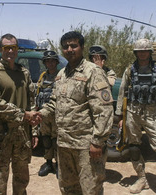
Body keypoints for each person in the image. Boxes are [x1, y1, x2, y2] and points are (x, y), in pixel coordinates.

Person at [39, 31, 114, 194]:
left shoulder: (93, 72)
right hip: (64, 145)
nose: (69, 49)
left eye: (74, 45)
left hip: (86, 147)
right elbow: (54, 103)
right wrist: (40, 114)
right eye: (65, 47)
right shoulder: (61, 74)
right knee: (68, 188)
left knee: (90, 188)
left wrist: (97, 141)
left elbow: (104, 110)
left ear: (82, 47)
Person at [115, 38, 156, 195]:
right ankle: (142, 179)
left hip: (152, 114)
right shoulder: (129, 70)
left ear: (150, 52)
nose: (142, 53)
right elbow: (122, 93)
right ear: (136, 53)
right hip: (132, 113)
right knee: (134, 148)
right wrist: (120, 116)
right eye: (139, 51)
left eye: (145, 50)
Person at [0, 33, 40, 195]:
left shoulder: (24, 73)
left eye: (13, 47)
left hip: (22, 135)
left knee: (22, 181)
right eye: (6, 48)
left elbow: (31, 102)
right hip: (1, 136)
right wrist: (22, 114)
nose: (10, 51)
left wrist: (34, 130)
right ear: (1, 50)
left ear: (17, 50)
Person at [36, 50, 59, 177]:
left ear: (56, 62)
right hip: (43, 114)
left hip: (56, 114)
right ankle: (48, 162)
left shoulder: (61, 76)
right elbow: (37, 94)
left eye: (52, 61)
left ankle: (58, 164)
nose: (50, 63)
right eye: (48, 61)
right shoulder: (42, 77)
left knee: (56, 140)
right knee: (45, 138)